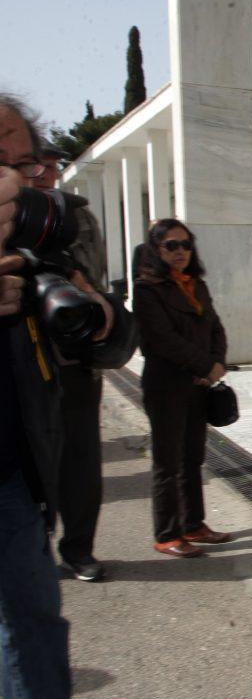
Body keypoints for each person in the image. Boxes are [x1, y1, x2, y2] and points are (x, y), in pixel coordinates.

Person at [1, 95, 138, 699]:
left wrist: (102, 316)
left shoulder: (46, 235)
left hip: (17, 466)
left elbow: (108, 343)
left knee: (33, 611)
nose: (14, 181)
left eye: (22, 163)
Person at [31, 144, 111, 581]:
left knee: (80, 460)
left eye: (50, 166)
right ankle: (30, 553)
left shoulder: (78, 217)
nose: (44, 173)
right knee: (28, 462)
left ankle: (79, 549)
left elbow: (94, 277)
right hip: (22, 358)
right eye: (34, 166)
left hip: (74, 357)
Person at [132, 219, 232, 558]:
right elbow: (162, 340)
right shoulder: (147, 289)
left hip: (198, 384)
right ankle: (167, 533)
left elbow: (215, 327)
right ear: (156, 249)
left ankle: (193, 524)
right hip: (166, 385)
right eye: (171, 245)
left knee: (192, 457)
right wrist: (205, 366)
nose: (180, 252)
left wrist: (216, 364)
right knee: (168, 461)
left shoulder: (196, 284)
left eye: (186, 244)